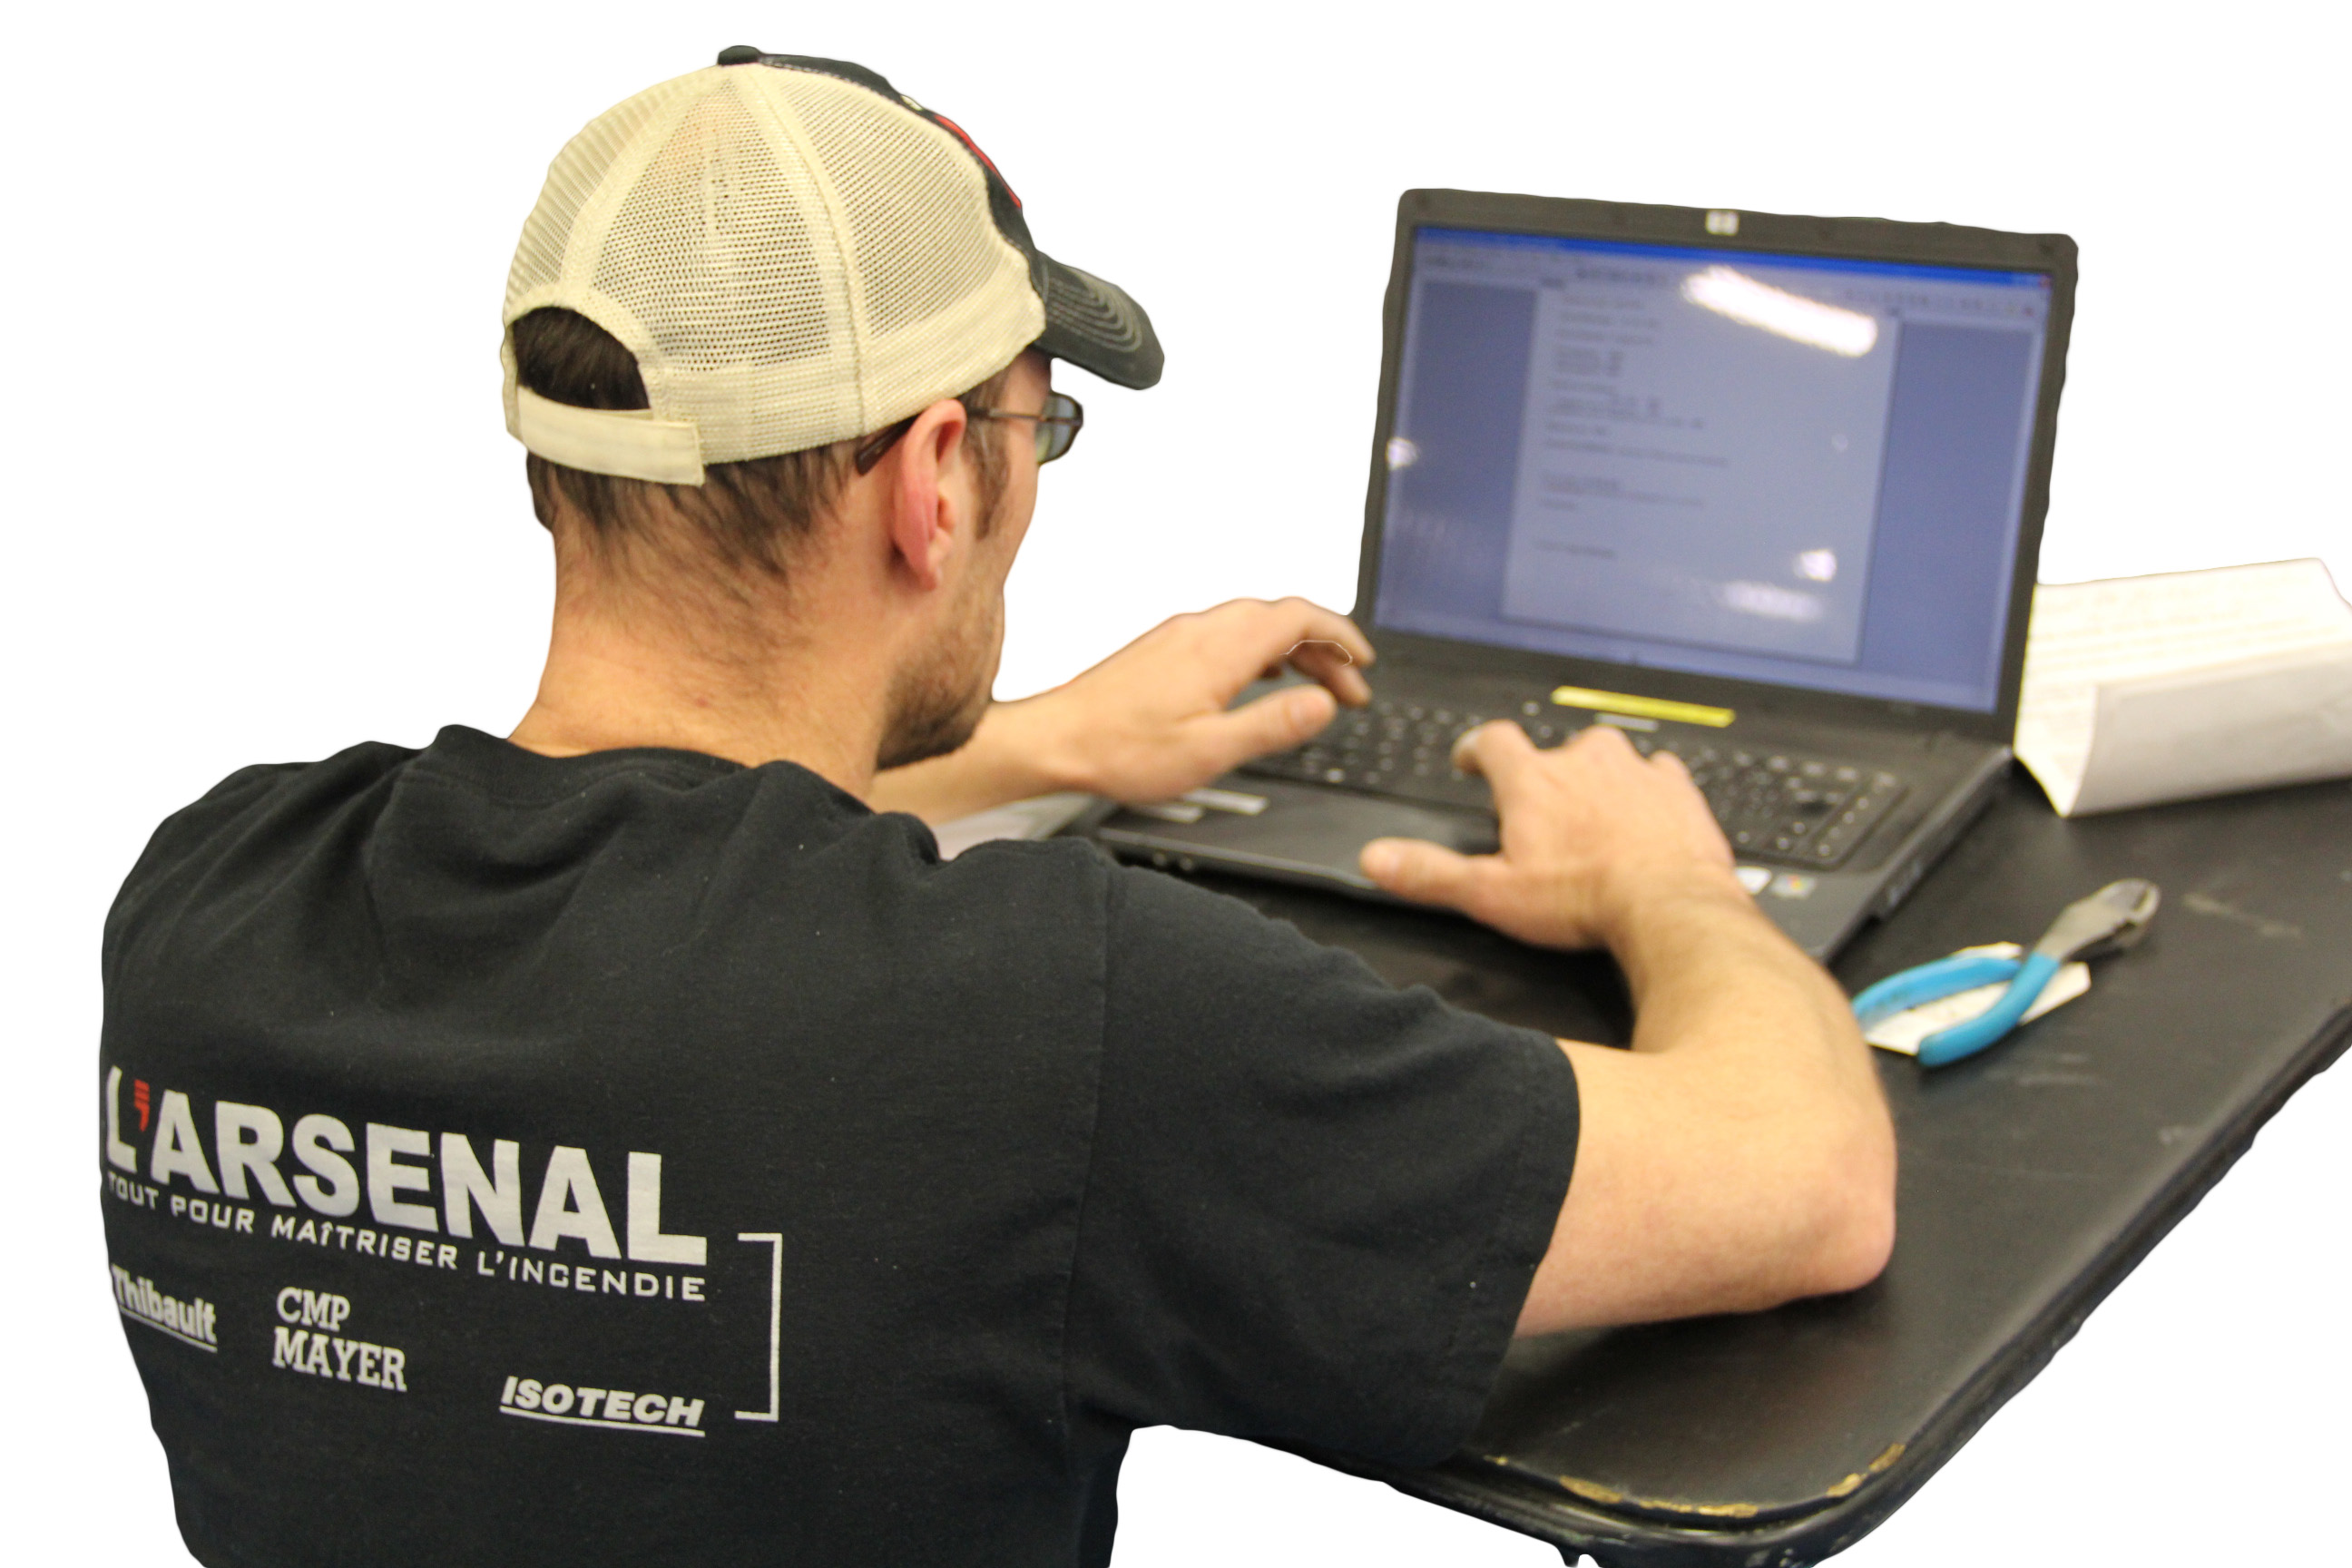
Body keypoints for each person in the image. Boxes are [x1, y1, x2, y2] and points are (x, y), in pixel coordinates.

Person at [98, 50, 1894, 1568]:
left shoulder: (209, 905)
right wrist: (1671, 887)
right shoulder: (1050, 1026)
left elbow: (646, 869)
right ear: (938, 481)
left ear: (560, 462)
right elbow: (1807, 1188)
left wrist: (1044, 744)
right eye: (1039, 429)